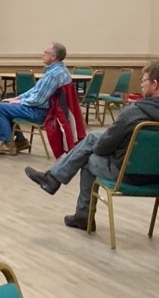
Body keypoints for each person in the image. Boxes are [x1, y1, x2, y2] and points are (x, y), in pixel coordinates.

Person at [24, 61, 159, 230]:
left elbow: (104, 148)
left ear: (154, 85)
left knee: (87, 157)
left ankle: (81, 214)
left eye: (144, 80)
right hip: (156, 178)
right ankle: (54, 179)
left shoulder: (133, 112)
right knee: (95, 136)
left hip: (128, 175)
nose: (141, 83)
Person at [0, 42, 72, 155]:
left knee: (0, 108)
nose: (42, 54)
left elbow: (38, 100)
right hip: (44, 109)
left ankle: (8, 144)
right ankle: (20, 141)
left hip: (41, 112)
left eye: (45, 53)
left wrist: (19, 101)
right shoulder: (60, 70)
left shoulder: (53, 75)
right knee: (7, 105)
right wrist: (17, 98)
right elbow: (35, 90)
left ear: (53, 57)